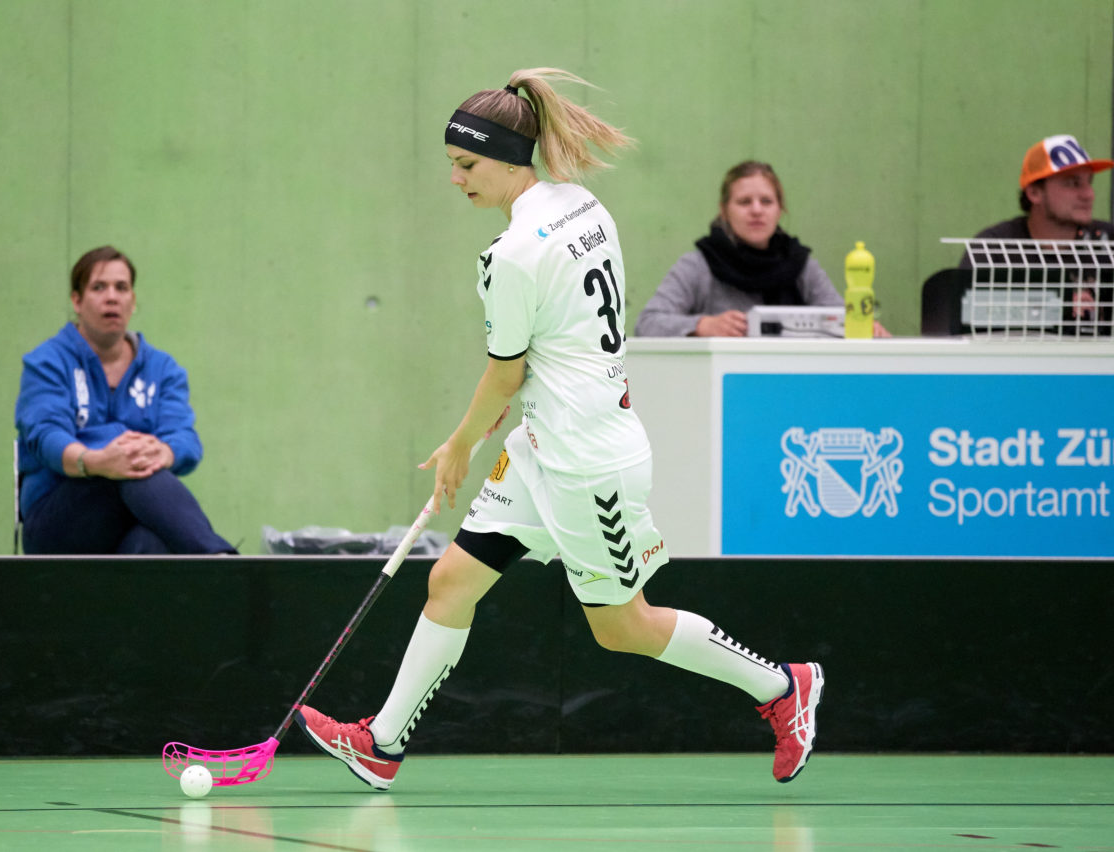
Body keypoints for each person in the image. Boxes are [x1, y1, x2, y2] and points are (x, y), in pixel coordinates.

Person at [293, 69, 823, 791]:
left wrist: (456, 447)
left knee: (622, 626)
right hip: (545, 445)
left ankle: (782, 688)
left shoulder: (510, 256)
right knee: (451, 580)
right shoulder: (582, 203)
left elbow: (504, 376)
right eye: (452, 164)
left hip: (588, 464)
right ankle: (382, 744)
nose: (455, 178)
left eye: (465, 164)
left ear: (510, 157)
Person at [15, 246, 235, 555]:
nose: (112, 297)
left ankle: (216, 568)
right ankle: (222, 562)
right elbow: (46, 436)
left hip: (131, 519)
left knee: (151, 542)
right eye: (99, 287)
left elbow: (186, 440)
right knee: (129, 462)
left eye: (122, 288)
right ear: (76, 302)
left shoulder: (164, 369)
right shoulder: (47, 362)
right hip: (58, 521)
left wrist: (164, 452)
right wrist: (98, 460)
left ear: (133, 302)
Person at [636, 161, 886, 337]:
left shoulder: (800, 264)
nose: (757, 210)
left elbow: (840, 319)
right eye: (744, 202)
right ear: (724, 210)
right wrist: (701, 325)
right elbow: (647, 324)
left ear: (780, 209)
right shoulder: (698, 265)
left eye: (766, 201)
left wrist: (865, 328)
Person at [958, 134, 1114, 328]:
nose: (1088, 194)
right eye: (1073, 183)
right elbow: (963, 316)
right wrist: (1056, 306)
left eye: (1089, 183)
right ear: (1034, 193)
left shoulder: (1108, 241)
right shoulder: (995, 248)